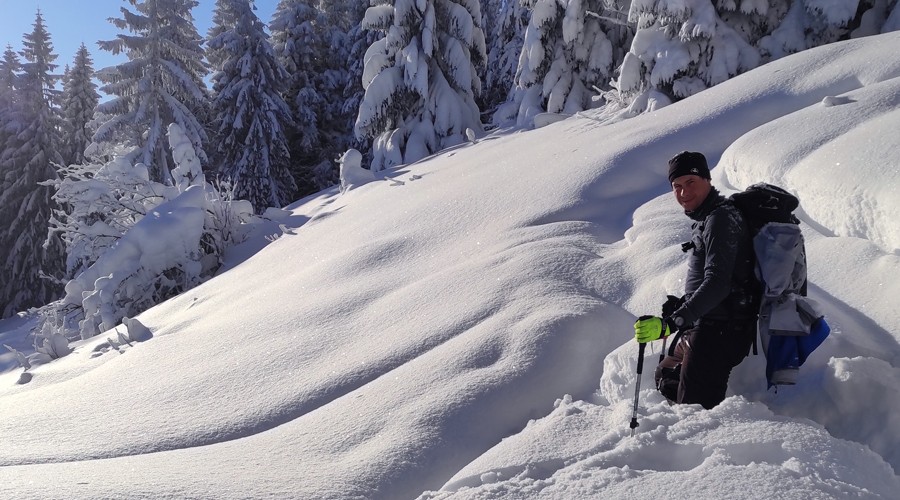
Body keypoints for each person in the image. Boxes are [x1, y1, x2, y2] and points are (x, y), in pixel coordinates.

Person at [633, 151, 758, 409]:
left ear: (707, 179)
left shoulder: (721, 219)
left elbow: (718, 282)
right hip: (705, 326)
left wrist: (673, 322)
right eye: (676, 186)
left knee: (695, 412)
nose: (683, 193)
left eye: (690, 182)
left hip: (719, 333)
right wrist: (682, 305)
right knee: (665, 375)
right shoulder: (708, 219)